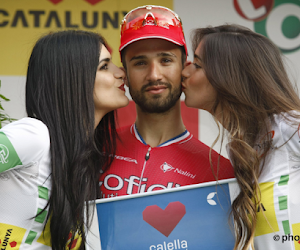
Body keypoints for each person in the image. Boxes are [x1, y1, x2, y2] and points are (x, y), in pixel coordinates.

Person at [0, 30, 129, 249]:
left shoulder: (84, 161)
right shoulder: (35, 135)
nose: (121, 73)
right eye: (105, 66)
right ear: (73, 78)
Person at [182, 24, 300, 250]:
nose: (184, 72)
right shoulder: (242, 148)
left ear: (229, 75)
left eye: (197, 65)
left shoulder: (288, 125)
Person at [99, 5, 234, 198]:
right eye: (140, 63)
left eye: (166, 60)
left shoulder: (221, 173)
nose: (154, 75)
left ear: (185, 68)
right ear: (125, 74)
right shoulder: (93, 151)